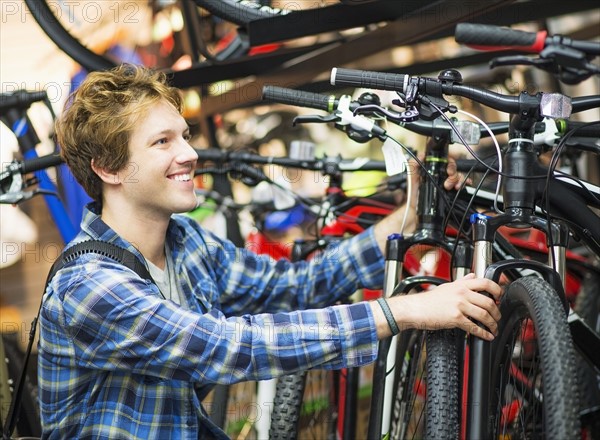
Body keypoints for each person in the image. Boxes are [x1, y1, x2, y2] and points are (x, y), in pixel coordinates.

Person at [39, 64, 503, 439]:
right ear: (108, 168)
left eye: (184, 135)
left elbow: (295, 287)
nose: (189, 154)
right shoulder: (88, 287)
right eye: (163, 142)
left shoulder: (186, 243)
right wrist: (406, 310)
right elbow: (226, 347)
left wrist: (403, 216)